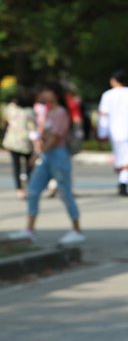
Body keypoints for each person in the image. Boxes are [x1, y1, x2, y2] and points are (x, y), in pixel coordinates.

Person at [8, 83, 86, 245]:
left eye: (46, 91)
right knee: (33, 190)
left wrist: (38, 153)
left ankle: (76, 230)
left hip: (58, 155)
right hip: (47, 155)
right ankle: (30, 229)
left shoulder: (61, 112)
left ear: (54, 94)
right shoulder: (49, 111)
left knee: (65, 192)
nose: (43, 94)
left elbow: (55, 137)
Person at [97, 70, 128, 197]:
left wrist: (102, 133)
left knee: (120, 157)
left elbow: (104, 117)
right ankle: (123, 182)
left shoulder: (107, 95)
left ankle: (122, 181)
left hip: (114, 131)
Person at [2, 86, 36, 200]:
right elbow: (33, 129)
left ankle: (19, 189)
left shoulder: (10, 108)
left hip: (12, 140)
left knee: (16, 167)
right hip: (26, 142)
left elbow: (5, 120)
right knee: (29, 166)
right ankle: (29, 186)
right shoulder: (30, 112)